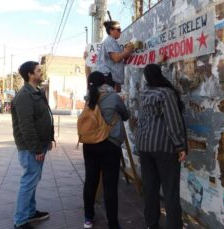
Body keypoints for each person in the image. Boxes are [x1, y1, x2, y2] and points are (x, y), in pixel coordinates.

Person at [136, 64, 187, 229]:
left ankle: (151, 224)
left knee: (150, 189)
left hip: (144, 146)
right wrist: (180, 146)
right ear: (160, 75)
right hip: (164, 147)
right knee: (170, 191)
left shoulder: (143, 92)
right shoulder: (166, 93)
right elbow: (173, 121)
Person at [82, 71, 129, 229]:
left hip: (89, 145)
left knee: (90, 181)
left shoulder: (88, 99)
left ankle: (88, 218)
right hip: (109, 145)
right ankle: (113, 224)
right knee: (110, 186)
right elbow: (126, 115)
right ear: (105, 82)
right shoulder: (113, 96)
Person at [11, 61, 55, 229]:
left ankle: (30, 212)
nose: (40, 72)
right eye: (38, 70)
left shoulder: (36, 92)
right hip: (31, 148)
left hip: (39, 145)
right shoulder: (24, 96)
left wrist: (48, 140)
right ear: (30, 74)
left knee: (33, 180)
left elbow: (43, 118)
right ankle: (20, 221)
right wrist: (36, 148)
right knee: (29, 181)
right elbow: (26, 126)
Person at [96, 20, 134, 92]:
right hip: (107, 77)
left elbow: (119, 58)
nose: (120, 32)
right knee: (110, 101)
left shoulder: (114, 42)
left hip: (112, 78)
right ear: (111, 30)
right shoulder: (109, 41)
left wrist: (126, 51)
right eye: (118, 29)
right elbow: (116, 58)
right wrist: (127, 51)